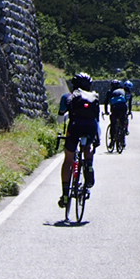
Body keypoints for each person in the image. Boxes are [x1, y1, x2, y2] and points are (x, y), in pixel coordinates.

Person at [58, 72, 100, 207]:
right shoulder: (94, 97)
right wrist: (97, 139)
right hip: (90, 127)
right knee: (87, 147)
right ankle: (88, 166)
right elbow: (97, 120)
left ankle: (65, 195)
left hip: (75, 127)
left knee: (68, 159)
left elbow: (60, 117)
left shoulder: (68, 97)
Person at [105, 81, 130, 149]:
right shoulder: (123, 90)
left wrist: (106, 111)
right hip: (123, 107)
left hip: (114, 108)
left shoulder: (110, 92)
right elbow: (127, 101)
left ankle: (112, 141)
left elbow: (106, 102)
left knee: (113, 124)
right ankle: (123, 141)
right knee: (122, 123)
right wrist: (128, 111)